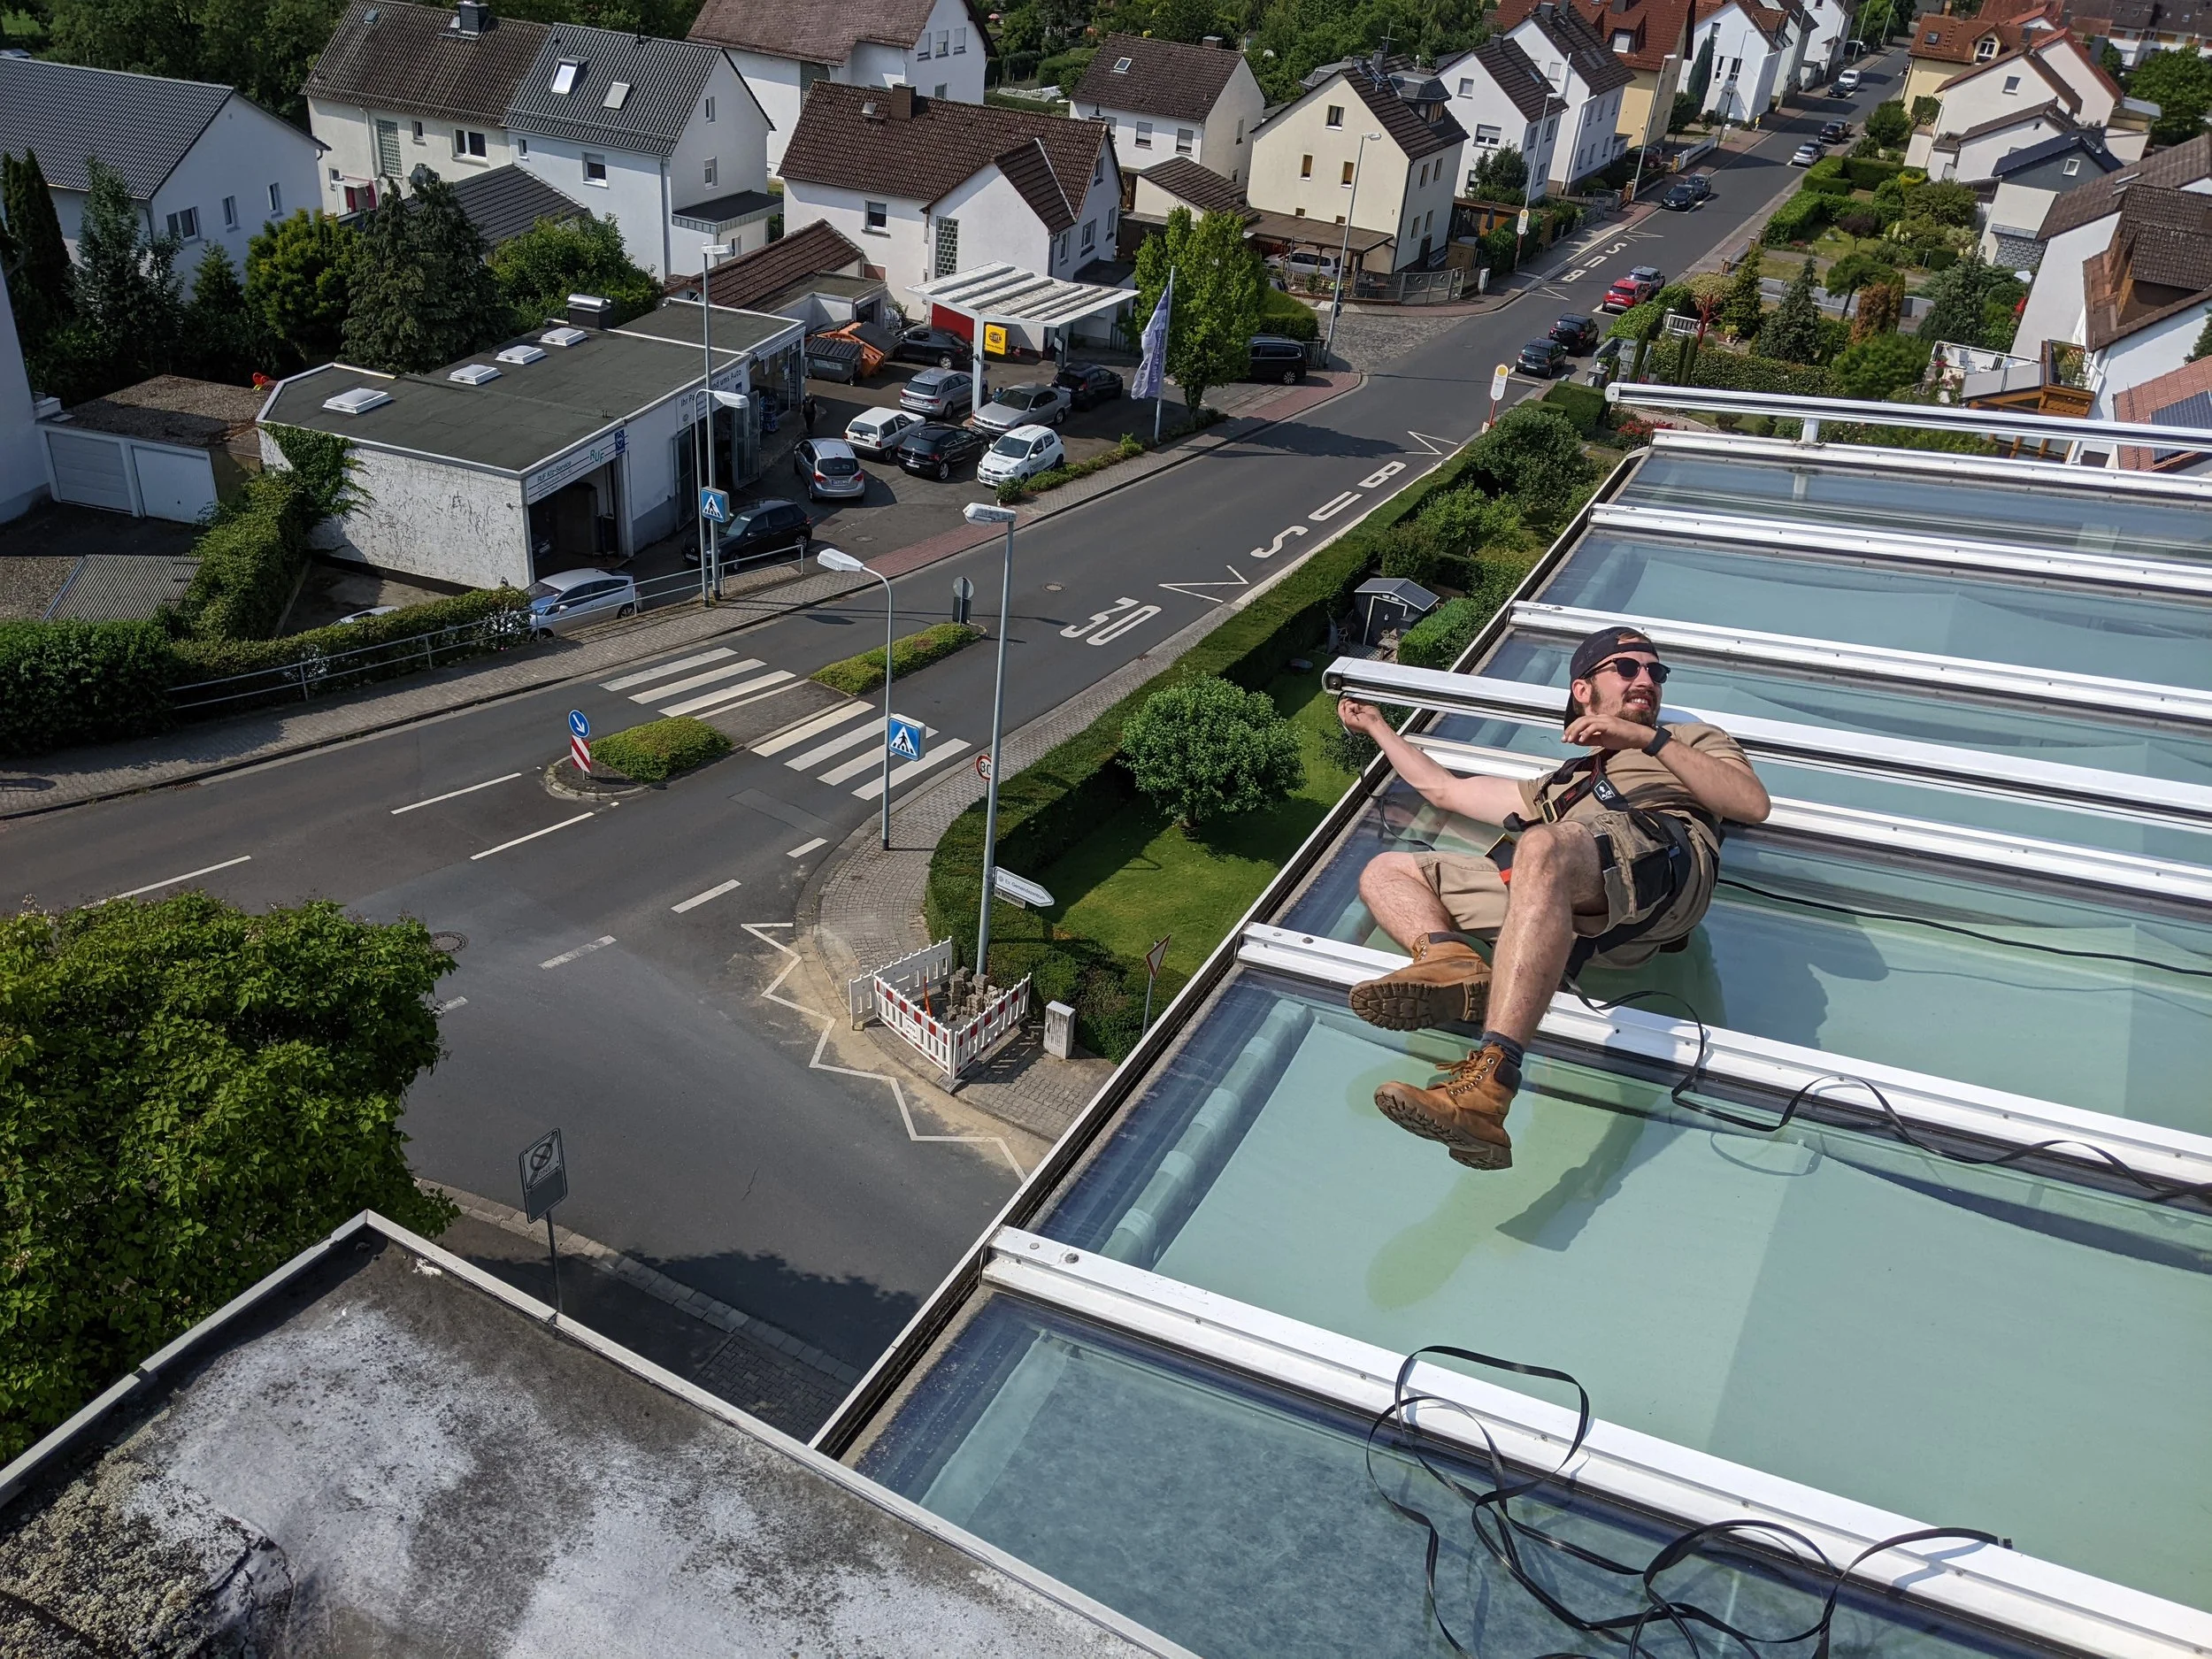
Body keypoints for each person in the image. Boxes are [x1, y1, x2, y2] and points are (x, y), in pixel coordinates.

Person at [1334, 626, 1770, 1171]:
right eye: (1628, 668)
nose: (1647, 680)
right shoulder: (1559, 785)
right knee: (1387, 872)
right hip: (1572, 898)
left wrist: (1647, 740)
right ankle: (1450, 960)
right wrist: (1377, 726)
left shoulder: (1690, 740)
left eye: (1656, 673)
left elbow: (1751, 804)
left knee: (1539, 846)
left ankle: (1490, 1088)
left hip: (1661, 868)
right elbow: (1445, 790)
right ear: (1582, 690)